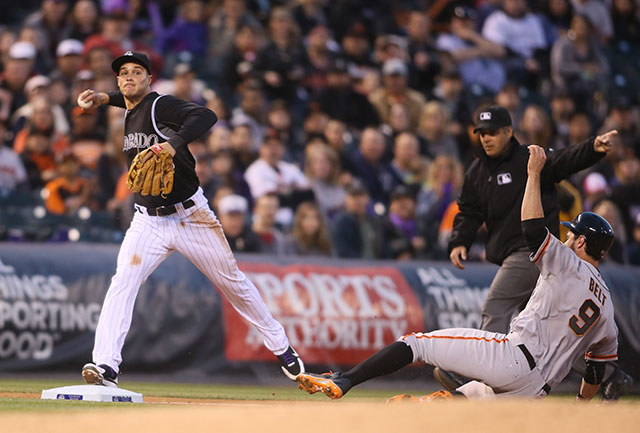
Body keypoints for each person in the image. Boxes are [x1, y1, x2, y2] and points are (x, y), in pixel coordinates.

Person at [296, 145, 618, 402]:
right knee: (458, 403)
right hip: (534, 392)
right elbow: (594, 370)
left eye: (572, 233)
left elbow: (533, 229)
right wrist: (581, 406)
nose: (567, 236)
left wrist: (533, 175)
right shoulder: (606, 309)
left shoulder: (567, 261)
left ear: (582, 241)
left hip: (514, 357)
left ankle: (345, 380)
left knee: (417, 343)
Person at [77, 51, 304, 387]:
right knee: (123, 282)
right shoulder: (130, 109)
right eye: (123, 73)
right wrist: (103, 98)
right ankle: (106, 366)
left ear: (149, 79)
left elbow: (206, 115)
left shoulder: (159, 105)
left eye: (137, 71)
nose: (128, 77)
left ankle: (282, 348)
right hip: (147, 222)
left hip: (191, 216)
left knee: (234, 284)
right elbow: (127, 101)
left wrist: (173, 144)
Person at [440, 105, 626, 399]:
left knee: (497, 305)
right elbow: (468, 211)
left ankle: (475, 376)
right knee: (553, 329)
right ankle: (611, 376)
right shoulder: (477, 171)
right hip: (517, 253)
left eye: (492, 132)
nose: (486, 138)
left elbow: (565, 160)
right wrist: (460, 240)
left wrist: (593, 147)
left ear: (509, 132)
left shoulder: (530, 158)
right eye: (481, 133)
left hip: (533, 251)